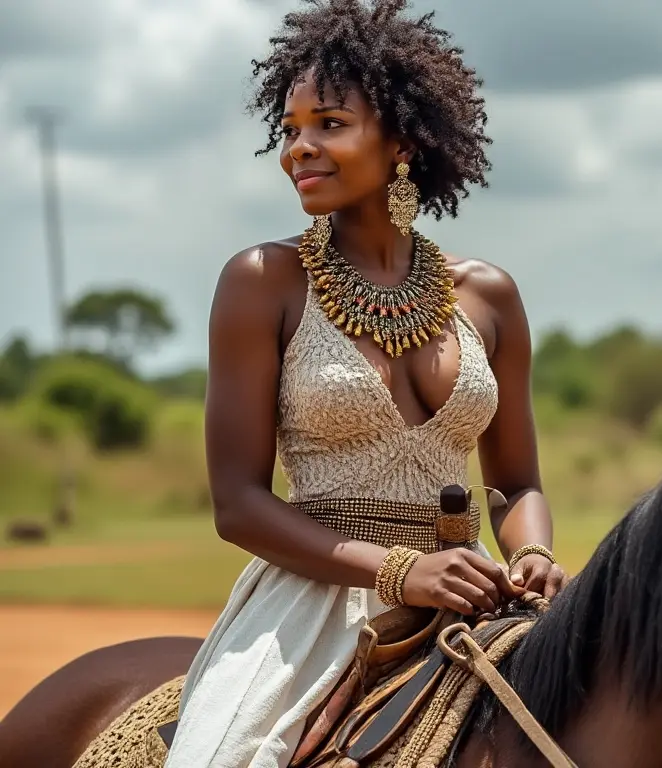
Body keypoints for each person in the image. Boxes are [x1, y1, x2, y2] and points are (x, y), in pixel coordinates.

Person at [164, 1, 566, 766]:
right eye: (290, 131)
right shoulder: (263, 281)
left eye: (329, 124)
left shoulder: (489, 294)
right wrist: (399, 570)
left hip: (472, 600)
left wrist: (533, 554)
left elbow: (515, 484)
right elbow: (237, 504)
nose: (298, 149)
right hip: (307, 619)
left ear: (404, 142)